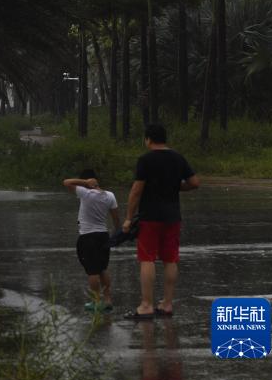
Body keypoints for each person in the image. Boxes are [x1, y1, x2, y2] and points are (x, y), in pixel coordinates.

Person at [123, 123, 200, 320]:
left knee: (147, 259)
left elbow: (136, 191)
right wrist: (176, 187)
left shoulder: (145, 160)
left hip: (150, 217)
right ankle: (167, 304)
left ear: (148, 139)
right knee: (170, 259)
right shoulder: (178, 157)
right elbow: (194, 183)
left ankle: (146, 305)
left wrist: (128, 218)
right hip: (172, 216)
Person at [63, 168, 120, 312]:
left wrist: (84, 183)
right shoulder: (110, 195)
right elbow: (116, 219)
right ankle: (107, 300)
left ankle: (96, 301)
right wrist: (116, 232)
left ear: (86, 182)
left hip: (88, 237)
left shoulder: (85, 193)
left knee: (92, 271)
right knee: (102, 269)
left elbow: (66, 182)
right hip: (103, 235)